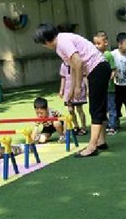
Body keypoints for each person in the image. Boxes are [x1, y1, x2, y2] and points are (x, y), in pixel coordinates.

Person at [33, 23, 112, 158]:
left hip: (97, 68)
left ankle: (92, 146)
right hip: (98, 69)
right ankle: (101, 141)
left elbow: (78, 62)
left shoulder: (62, 42)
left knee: (96, 108)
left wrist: (78, 86)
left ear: (46, 41)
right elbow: (74, 67)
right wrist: (71, 90)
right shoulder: (60, 44)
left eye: (43, 43)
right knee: (100, 106)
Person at [93, 31, 118, 134]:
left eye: (99, 43)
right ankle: (106, 124)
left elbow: (114, 70)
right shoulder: (95, 56)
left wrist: (108, 79)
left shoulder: (108, 55)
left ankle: (113, 125)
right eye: (95, 43)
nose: (96, 46)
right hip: (100, 88)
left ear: (106, 43)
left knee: (111, 106)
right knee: (104, 107)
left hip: (109, 88)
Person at [59, 62, 87, 135]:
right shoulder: (63, 65)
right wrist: (61, 89)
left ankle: (83, 127)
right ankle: (76, 126)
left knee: (79, 109)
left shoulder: (78, 63)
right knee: (70, 110)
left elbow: (84, 76)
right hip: (68, 89)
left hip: (78, 88)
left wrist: (87, 88)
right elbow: (63, 78)